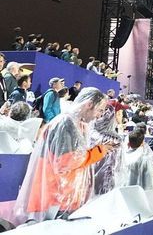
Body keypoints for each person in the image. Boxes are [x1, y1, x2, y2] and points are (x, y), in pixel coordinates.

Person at [12, 87, 117, 223]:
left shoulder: (75, 123)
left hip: (61, 198)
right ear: (89, 104)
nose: (100, 115)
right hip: (55, 199)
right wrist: (99, 151)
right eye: (100, 110)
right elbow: (66, 162)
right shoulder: (65, 123)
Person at [118, 125, 153, 190]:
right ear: (143, 143)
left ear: (128, 143)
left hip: (123, 192)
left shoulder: (122, 157)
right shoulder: (145, 160)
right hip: (140, 194)